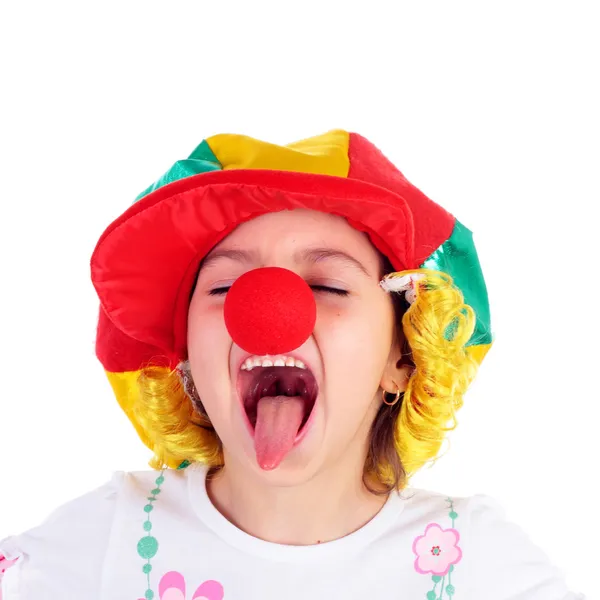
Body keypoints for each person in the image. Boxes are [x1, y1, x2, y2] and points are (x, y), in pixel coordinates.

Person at [0, 130, 586, 599]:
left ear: (403, 357)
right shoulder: (104, 539)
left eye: (328, 286)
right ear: (185, 358)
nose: (266, 313)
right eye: (226, 287)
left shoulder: (480, 565)